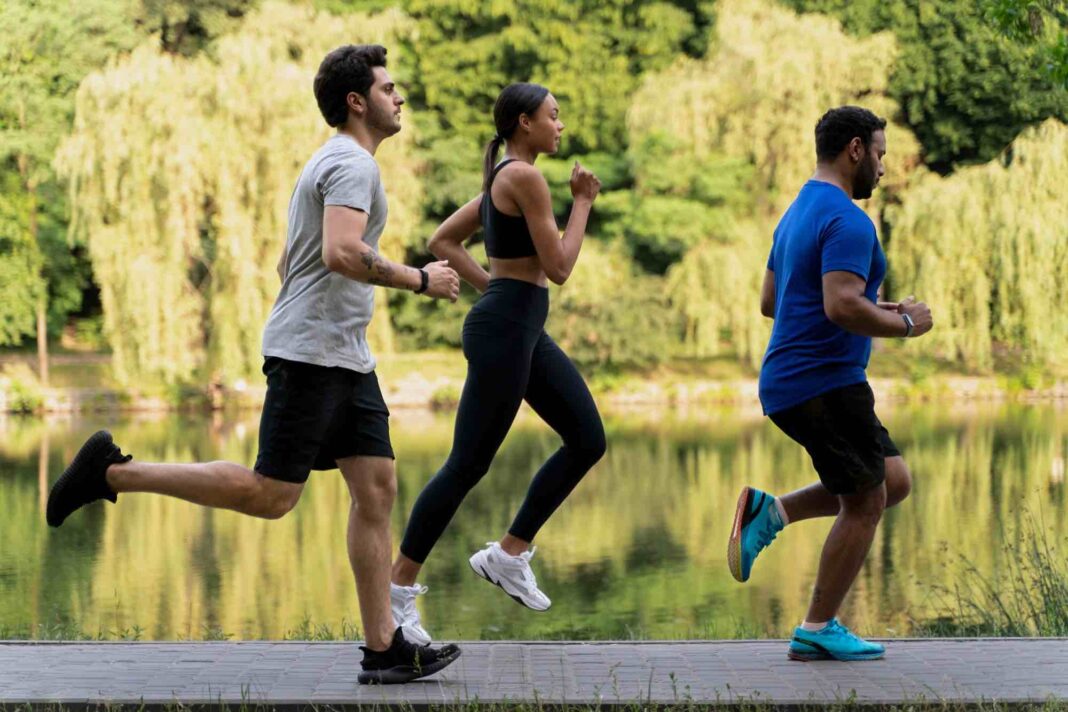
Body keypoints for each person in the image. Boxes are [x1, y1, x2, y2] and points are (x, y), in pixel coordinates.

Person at [45, 44, 463, 685]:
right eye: (388, 87)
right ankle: (112, 473)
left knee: (376, 487)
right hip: (312, 353)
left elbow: (286, 262)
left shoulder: (334, 163)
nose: (399, 97)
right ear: (358, 102)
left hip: (342, 353)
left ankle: (384, 647)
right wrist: (419, 279)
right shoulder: (351, 164)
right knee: (272, 497)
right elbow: (342, 254)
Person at [387, 83, 607, 645]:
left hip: (518, 325)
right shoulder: (524, 176)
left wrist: (493, 288)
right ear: (523, 123)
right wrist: (582, 201)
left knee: (587, 438)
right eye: (553, 116)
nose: (561, 126)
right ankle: (396, 592)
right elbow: (558, 266)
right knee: (467, 464)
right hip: (508, 329)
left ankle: (509, 554)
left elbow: (443, 240)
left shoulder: (502, 180)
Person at [728, 106, 933, 662]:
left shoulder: (796, 213)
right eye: (882, 155)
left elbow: (774, 301)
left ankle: (773, 512)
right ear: (856, 151)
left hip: (795, 380)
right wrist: (907, 324)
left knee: (893, 479)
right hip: (823, 383)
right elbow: (841, 304)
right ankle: (817, 626)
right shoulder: (848, 219)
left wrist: (879, 307)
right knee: (866, 502)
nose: (884, 170)